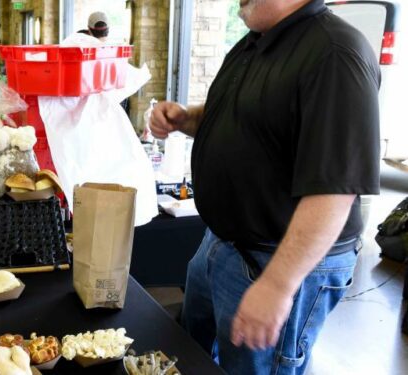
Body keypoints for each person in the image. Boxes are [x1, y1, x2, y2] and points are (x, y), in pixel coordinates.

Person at [149, 1, 379, 374]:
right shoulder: (254, 42)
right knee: (190, 353)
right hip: (221, 244)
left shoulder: (336, 53)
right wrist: (187, 117)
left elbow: (335, 191)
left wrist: (277, 285)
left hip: (279, 260)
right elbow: (243, 116)